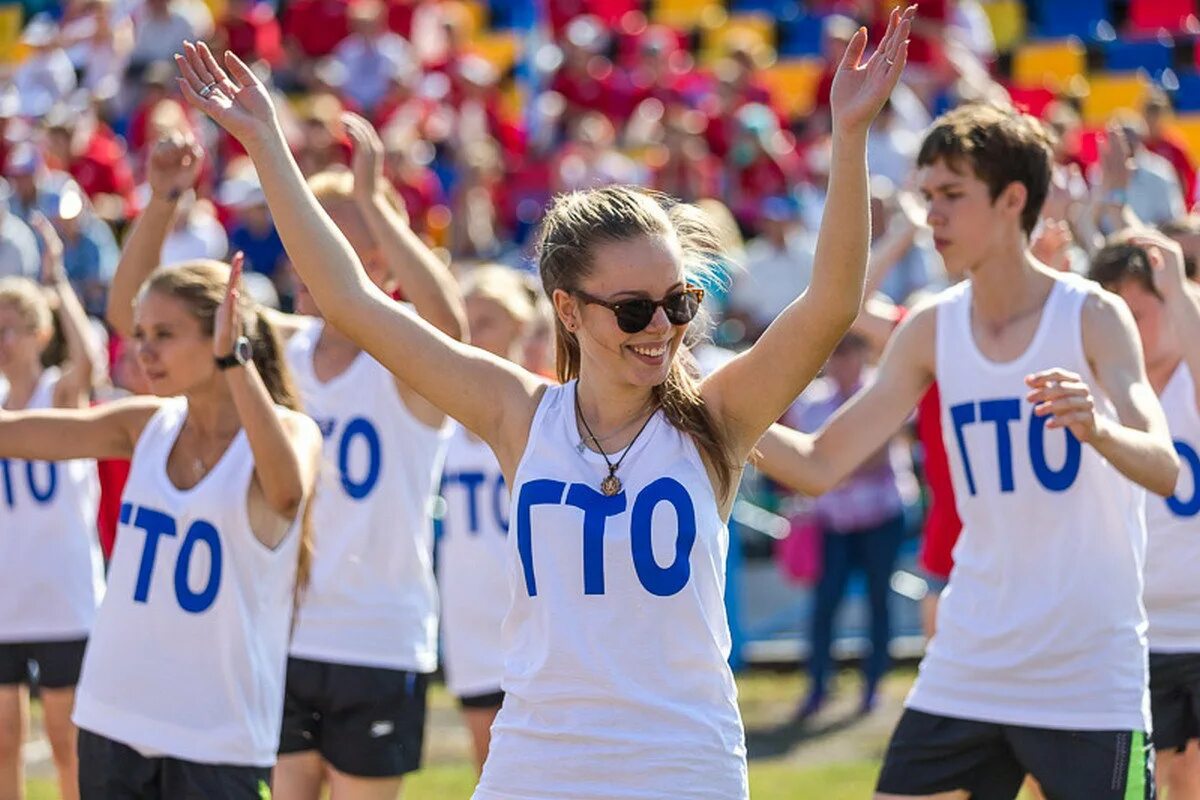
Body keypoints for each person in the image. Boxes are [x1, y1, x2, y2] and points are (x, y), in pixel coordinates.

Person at [174, 8, 913, 796]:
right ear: (568, 311)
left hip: (681, 767)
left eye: (679, 303)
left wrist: (849, 135)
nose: (660, 328)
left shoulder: (714, 420)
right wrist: (266, 146)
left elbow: (831, 303)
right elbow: (350, 299)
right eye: (632, 310)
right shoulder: (519, 414)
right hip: (536, 764)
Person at [756, 103, 1179, 799]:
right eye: (928, 198)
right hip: (970, 658)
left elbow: (1162, 467)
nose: (934, 218)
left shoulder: (1091, 315)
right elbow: (819, 462)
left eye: (952, 196)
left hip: (1087, 671)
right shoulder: (931, 327)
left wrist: (1099, 430)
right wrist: (706, 411)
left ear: (1013, 199)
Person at [106, 121, 466, 800]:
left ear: (378, 260)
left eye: (338, 246)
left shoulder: (408, 366)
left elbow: (450, 328)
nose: (313, 263)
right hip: (276, 626)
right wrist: (161, 203)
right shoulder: (277, 351)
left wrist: (377, 203)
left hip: (376, 636)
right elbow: (134, 311)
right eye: (308, 242)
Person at [4, 147, 321, 793]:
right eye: (141, 336)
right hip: (113, 714)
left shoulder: (289, 430)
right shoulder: (148, 423)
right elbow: (11, 435)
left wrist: (236, 366)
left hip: (218, 732)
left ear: (223, 337)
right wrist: (161, 201)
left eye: (163, 335)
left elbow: (286, 491)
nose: (141, 349)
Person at [1089, 232, 1200, 800]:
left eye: (1141, 310)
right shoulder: (1105, 392)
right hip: (1133, 633)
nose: (1131, 327)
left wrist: (1178, 288)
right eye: (1119, 315)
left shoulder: (1192, 376)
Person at [0, 216, 105, 800]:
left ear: (40, 335)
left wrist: (58, 280)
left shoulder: (59, 395)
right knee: (3, 739)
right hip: (6, 597)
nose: (3, 339)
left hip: (63, 597)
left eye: (13, 328)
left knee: (68, 740)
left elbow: (89, 359)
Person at [763, 331, 917, 719]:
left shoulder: (883, 393)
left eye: (849, 352)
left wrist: (825, 466)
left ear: (863, 355)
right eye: (836, 353)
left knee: (878, 602)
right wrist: (832, 464)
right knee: (824, 604)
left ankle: (872, 685)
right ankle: (818, 686)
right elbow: (816, 458)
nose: (842, 361)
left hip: (880, 515)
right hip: (833, 521)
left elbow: (875, 455)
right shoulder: (813, 402)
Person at [437, 265, 547, 772]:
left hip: (535, 608)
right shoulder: (438, 416)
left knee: (555, 762)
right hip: (470, 611)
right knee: (492, 766)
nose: (472, 333)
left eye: (486, 320)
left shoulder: (550, 412)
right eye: (466, 320)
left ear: (520, 327)